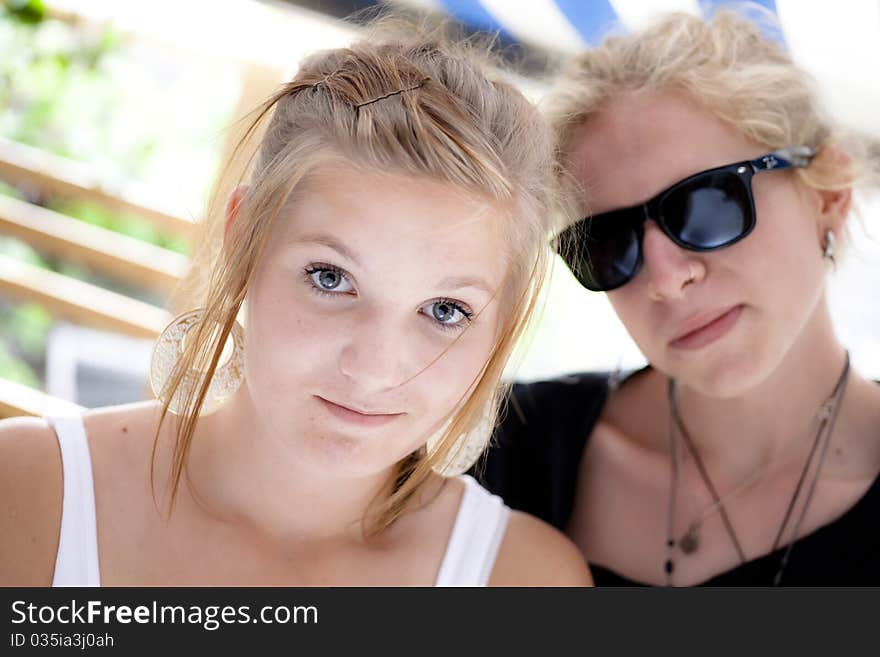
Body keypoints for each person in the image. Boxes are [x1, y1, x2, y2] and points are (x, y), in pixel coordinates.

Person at [0, 21, 591, 586]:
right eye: (331, 278)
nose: (375, 368)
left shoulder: (527, 583)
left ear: (505, 326)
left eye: (445, 311)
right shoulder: (27, 495)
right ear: (243, 240)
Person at [479, 8, 880, 585]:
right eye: (610, 243)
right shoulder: (501, 450)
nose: (665, 279)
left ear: (830, 194)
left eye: (706, 205)